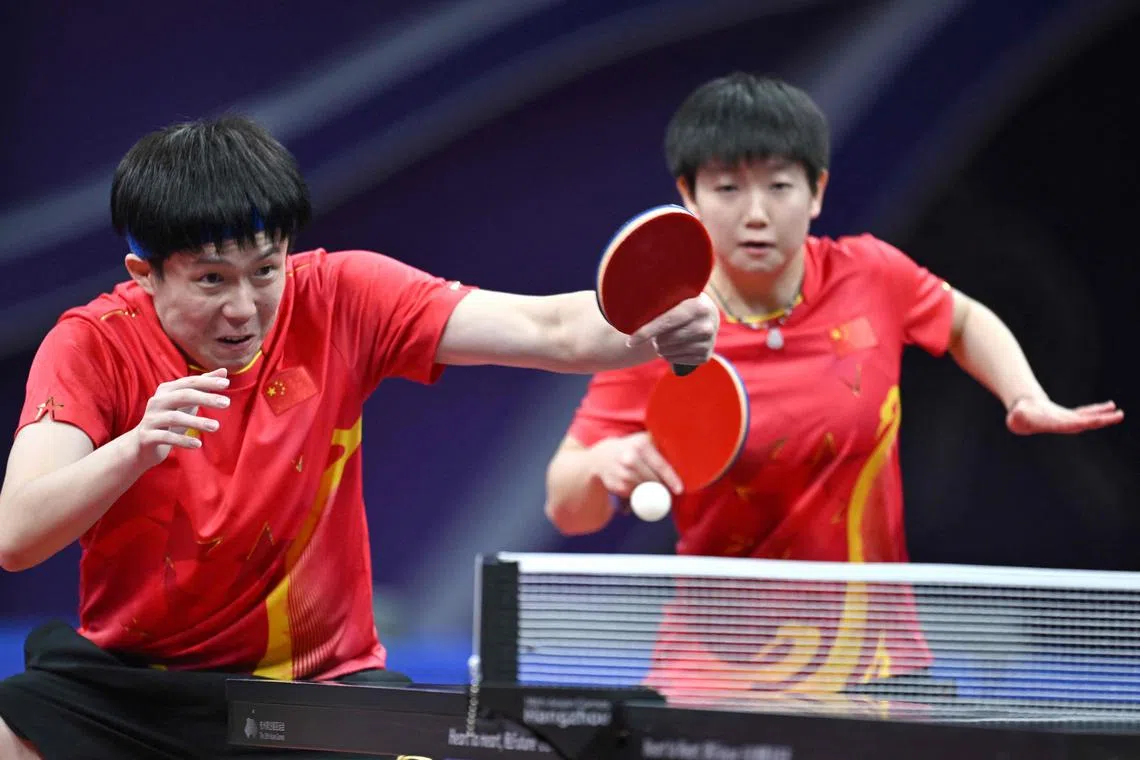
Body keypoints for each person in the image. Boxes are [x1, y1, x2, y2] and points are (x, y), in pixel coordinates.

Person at [0, 115, 719, 759]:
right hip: (134, 689)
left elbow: (550, 328)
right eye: (211, 280)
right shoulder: (91, 346)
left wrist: (652, 327)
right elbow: (17, 536)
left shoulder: (341, 297)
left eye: (265, 270)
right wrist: (132, 449)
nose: (244, 308)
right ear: (146, 274)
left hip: (317, 690)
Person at [543, 72, 1123, 702]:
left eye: (779, 185)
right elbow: (566, 508)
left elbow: (963, 320)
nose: (756, 213)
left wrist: (1022, 394)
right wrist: (602, 464)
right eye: (728, 187)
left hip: (877, 665)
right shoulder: (665, 332)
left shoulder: (871, 275)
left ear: (816, 192)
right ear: (690, 196)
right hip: (717, 675)